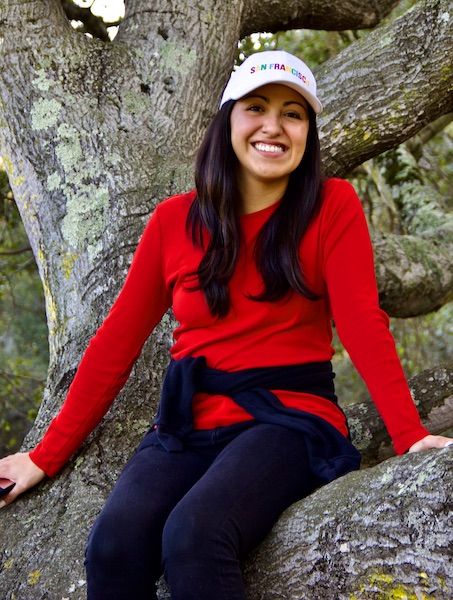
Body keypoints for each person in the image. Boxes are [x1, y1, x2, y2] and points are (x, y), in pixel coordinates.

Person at [0, 50, 451, 599]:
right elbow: (116, 343)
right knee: (112, 548)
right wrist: (43, 456)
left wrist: (409, 433)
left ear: (308, 132)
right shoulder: (172, 221)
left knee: (194, 535)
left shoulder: (332, 205)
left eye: (294, 113)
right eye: (256, 107)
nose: (273, 125)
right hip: (187, 427)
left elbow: (362, 322)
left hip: (288, 421)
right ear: (227, 122)